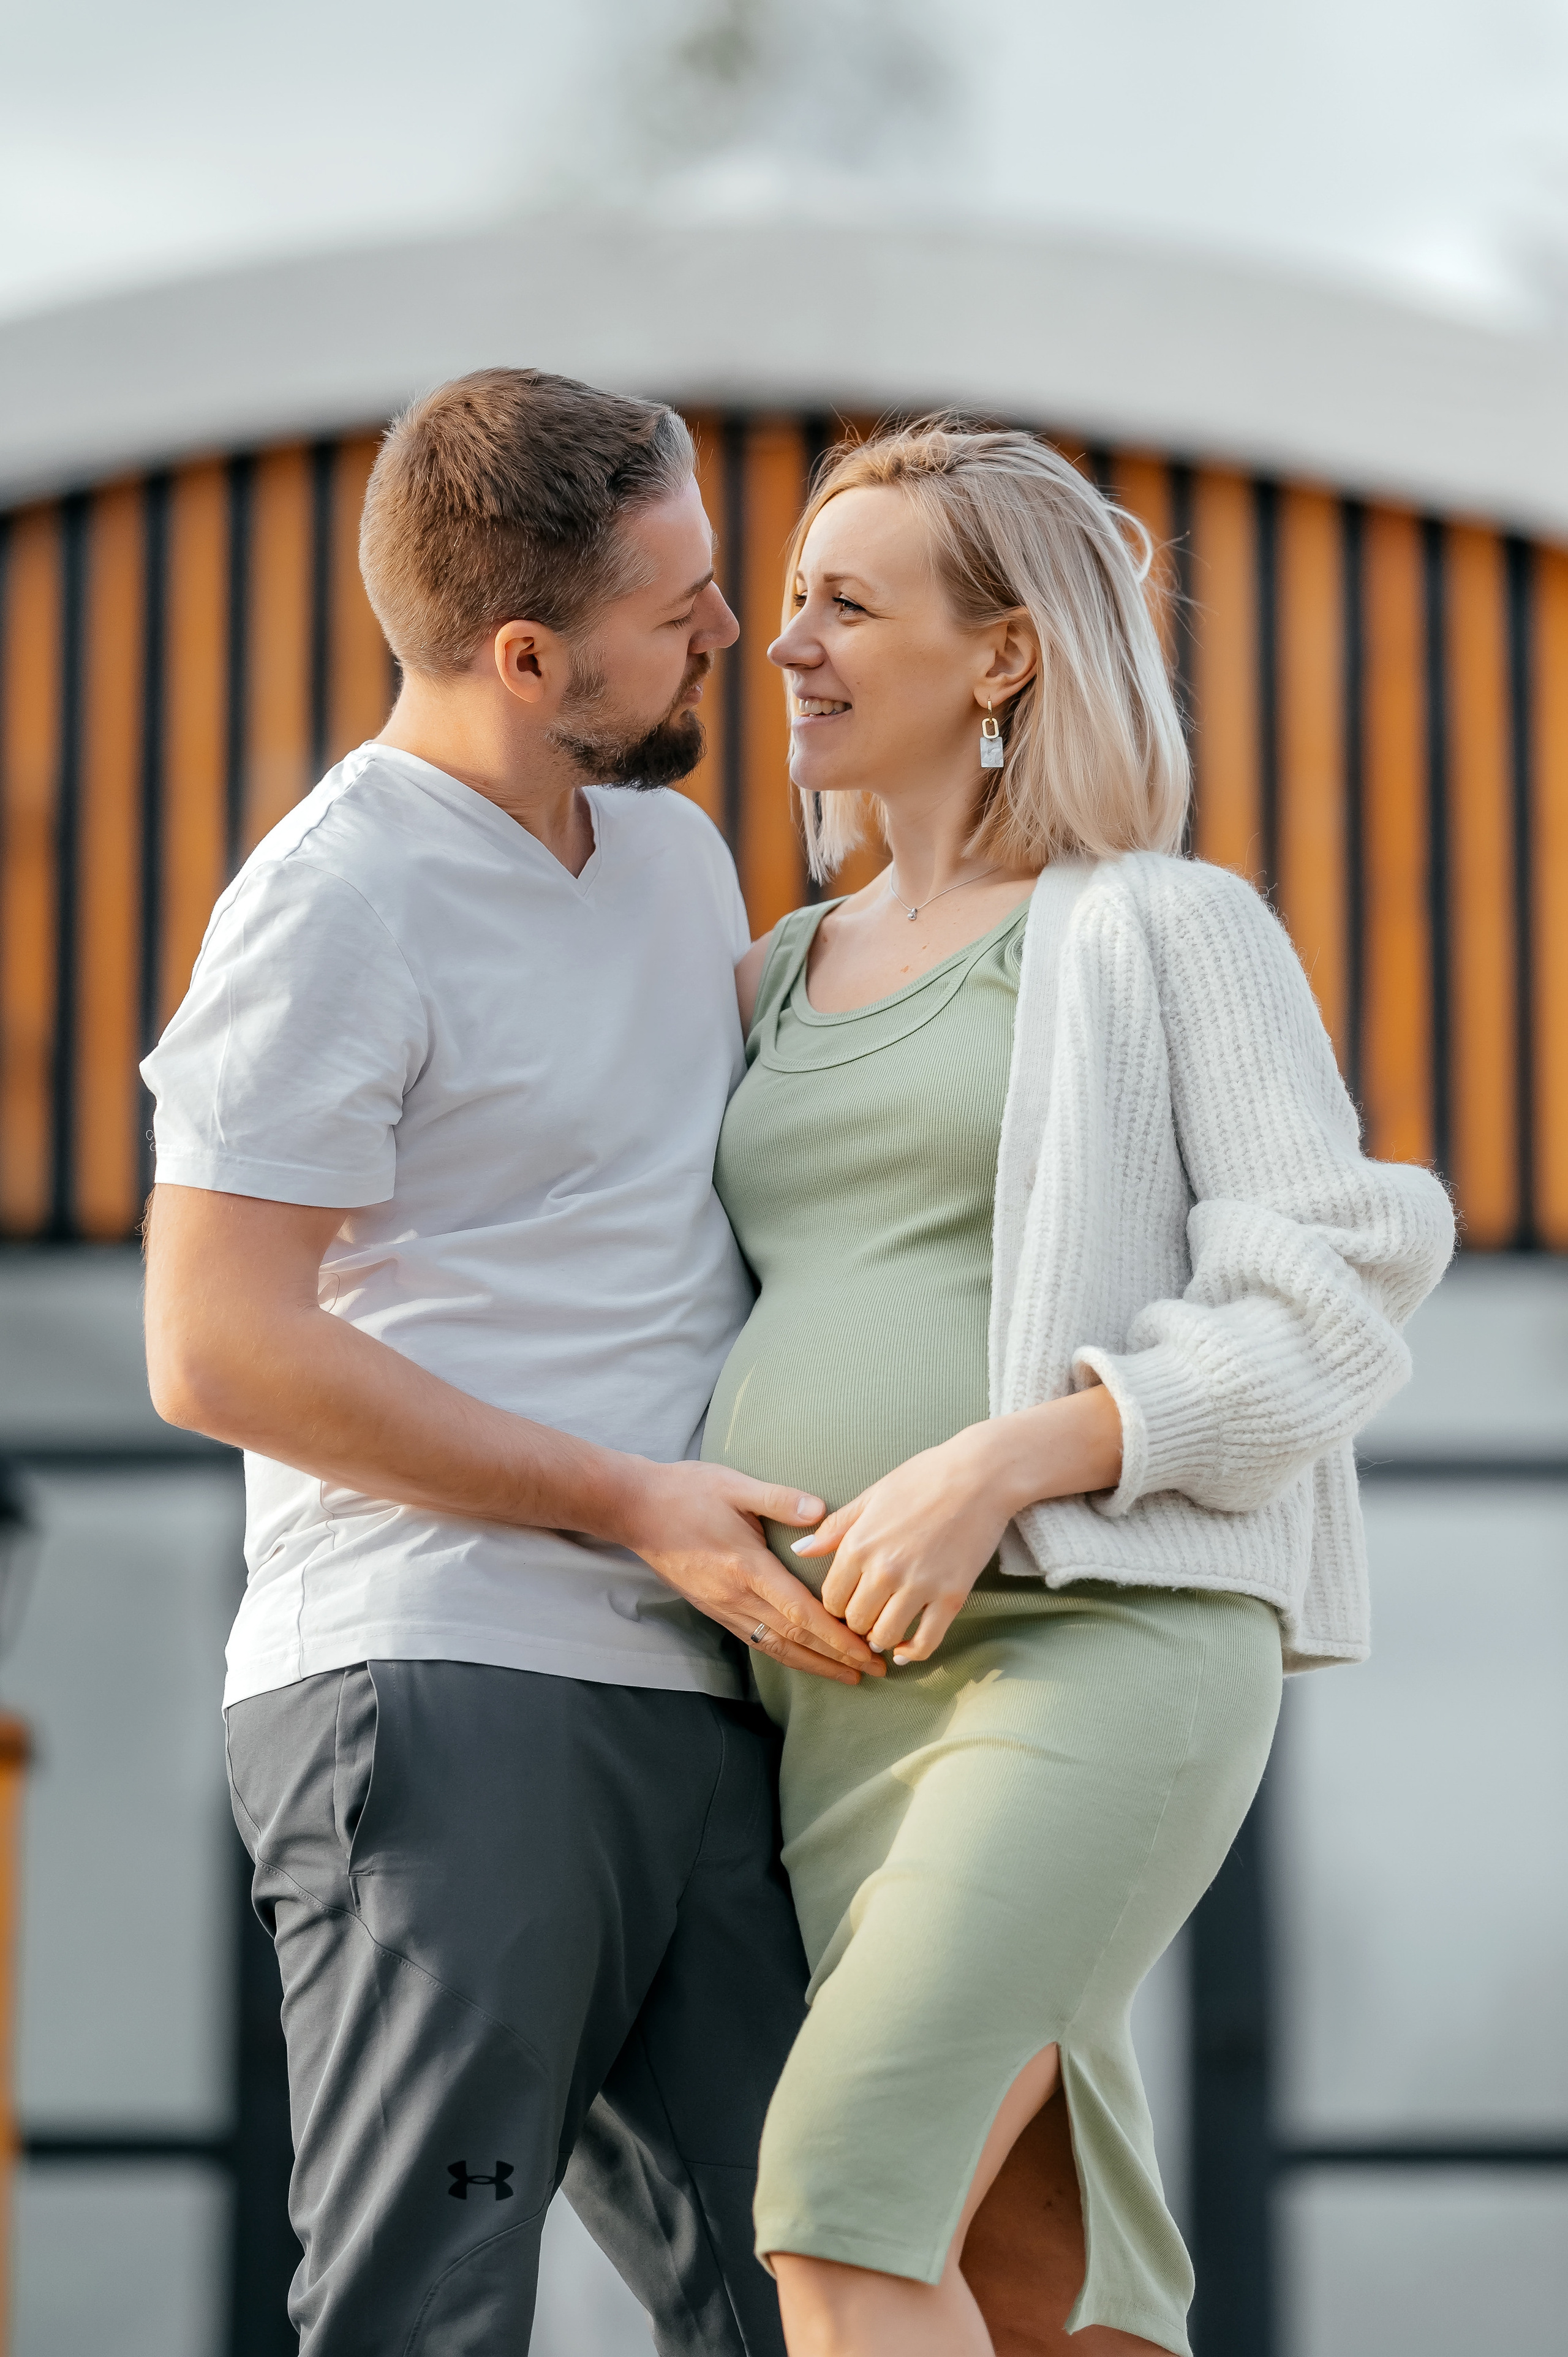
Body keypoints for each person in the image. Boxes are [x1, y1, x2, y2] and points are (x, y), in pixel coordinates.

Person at [140, 366, 882, 2356]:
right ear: (530, 652)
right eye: (683, 605)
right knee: (428, 2308)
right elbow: (214, 1348)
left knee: (811, 2285)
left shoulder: (673, 859)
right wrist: (625, 1495)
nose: (738, 630)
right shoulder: (331, 905)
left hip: (698, 1692)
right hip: (446, 1685)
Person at [701, 419, 1455, 2357]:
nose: (785, 647)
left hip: (1090, 1647)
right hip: (836, 1709)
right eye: (788, 603)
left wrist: (1003, 1465)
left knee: (844, 2216)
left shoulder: (1155, 927)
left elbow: (1341, 1282)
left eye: (847, 606)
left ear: (1006, 655)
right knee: (1035, 2287)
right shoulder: (774, 973)